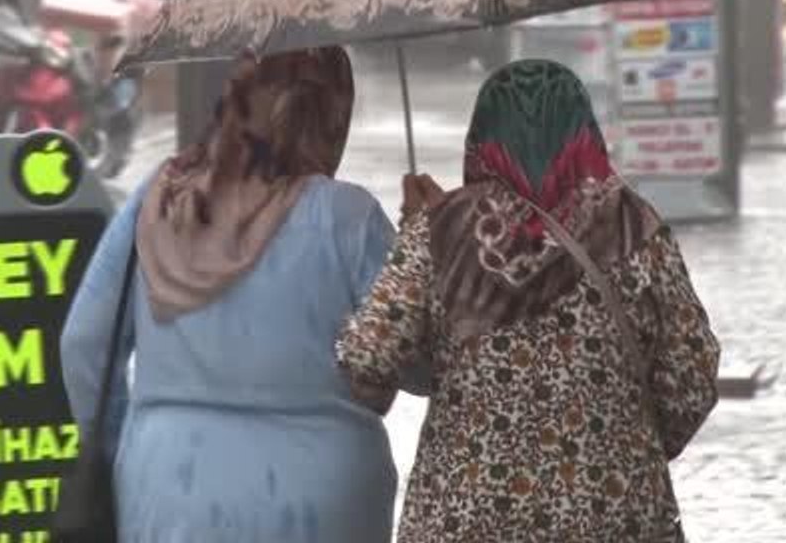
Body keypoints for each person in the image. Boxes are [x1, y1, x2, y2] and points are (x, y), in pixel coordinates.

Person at [336, 59, 720, 542]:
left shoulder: (443, 231)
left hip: (468, 521)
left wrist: (419, 232)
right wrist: (629, 443)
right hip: (617, 519)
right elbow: (691, 379)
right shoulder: (635, 228)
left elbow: (367, 359)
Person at [61, 47, 402, 543]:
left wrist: (122, 443)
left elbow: (82, 343)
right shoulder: (347, 216)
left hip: (168, 487)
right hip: (323, 497)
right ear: (328, 110)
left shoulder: (159, 200)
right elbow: (416, 365)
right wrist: (419, 251)